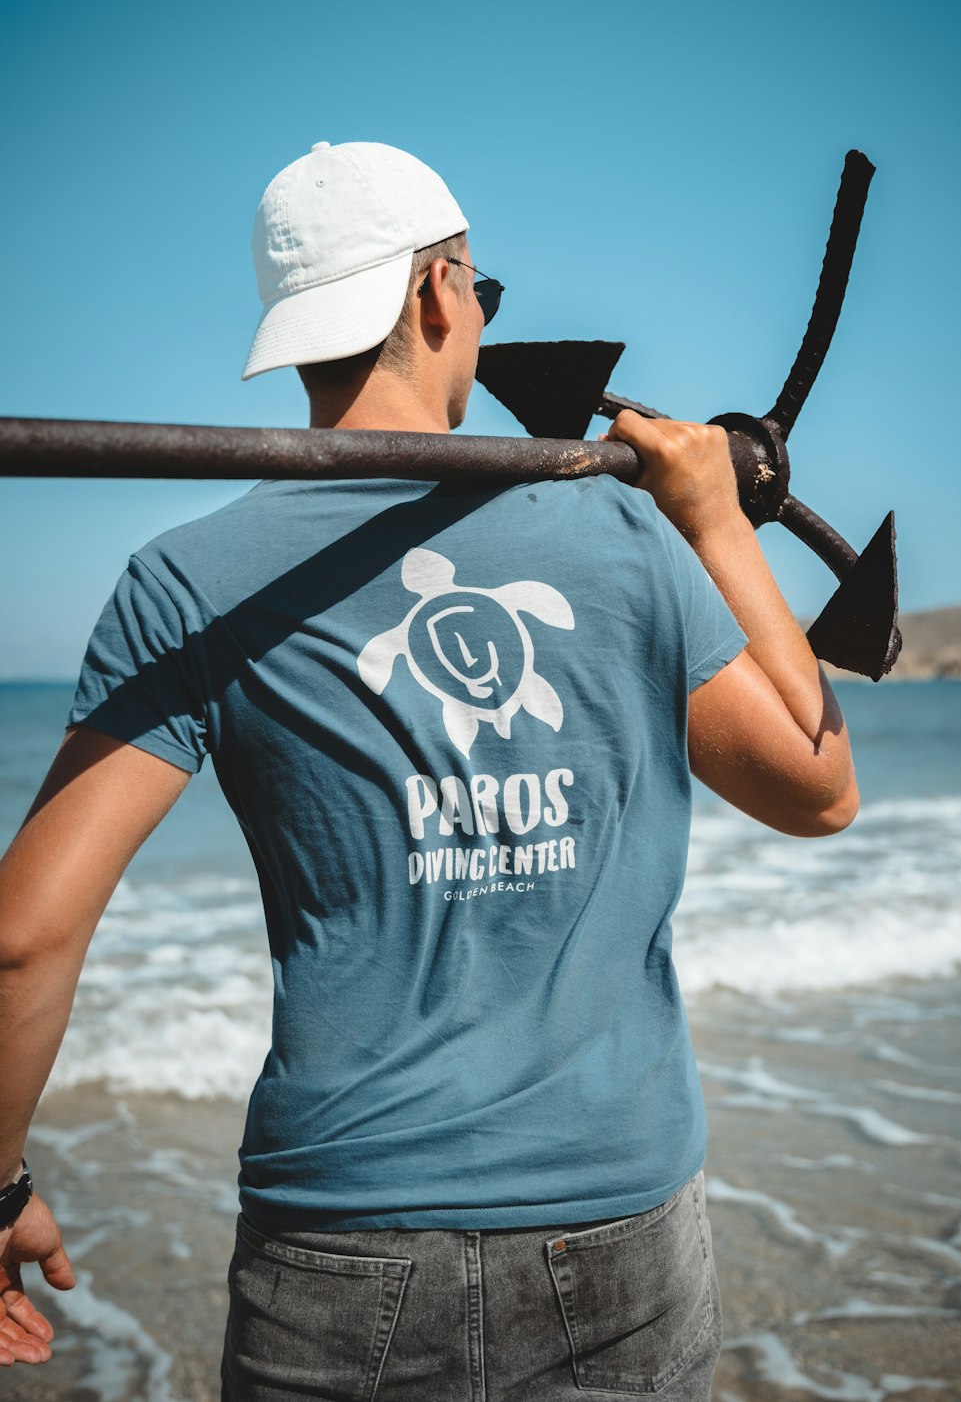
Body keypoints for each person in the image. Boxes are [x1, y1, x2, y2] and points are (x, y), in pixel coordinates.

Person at [0, 141, 858, 1398]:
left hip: (339, 1239)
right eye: (482, 297)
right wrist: (716, 523)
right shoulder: (625, 532)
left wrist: (1, 1183)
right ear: (437, 293)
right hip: (618, 1221)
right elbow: (819, 787)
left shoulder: (185, 581)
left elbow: (22, 937)